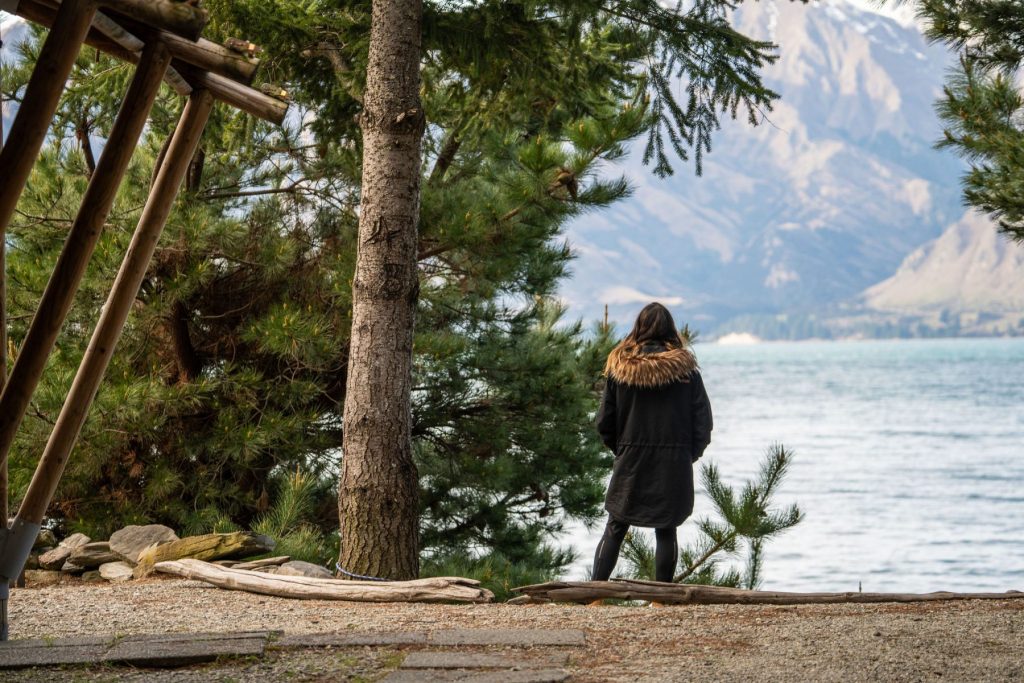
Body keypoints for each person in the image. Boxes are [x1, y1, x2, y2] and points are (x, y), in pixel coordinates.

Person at [592, 302, 713, 587]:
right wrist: (686, 455)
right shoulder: (686, 372)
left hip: (631, 459)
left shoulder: (620, 370)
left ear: (638, 328)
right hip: (673, 461)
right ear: (670, 330)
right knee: (666, 529)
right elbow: (703, 423)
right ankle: (661, 599)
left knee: (615, 527)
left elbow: (603, 422)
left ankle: (593, 595)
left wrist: (623, 450)